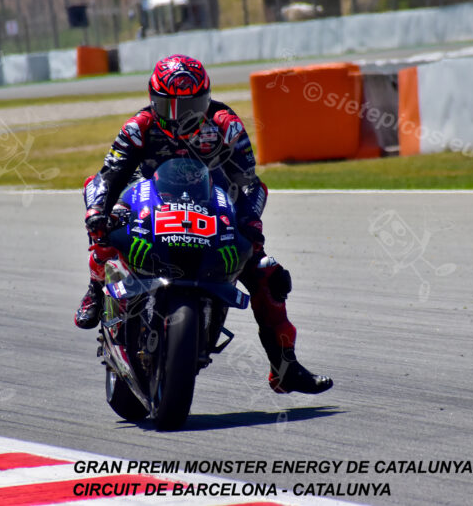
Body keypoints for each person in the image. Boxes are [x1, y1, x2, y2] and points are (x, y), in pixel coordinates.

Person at [74, 54, 333, 395]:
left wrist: (251, 224)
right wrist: (98, 214)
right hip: (148, 198)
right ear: (154, 100)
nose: (181, 115)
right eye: (170, 105)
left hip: (210, 203)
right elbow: (108, 175)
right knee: (104, 227)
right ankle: (95, 289)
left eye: (192, 104)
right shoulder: (139, 126)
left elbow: (249, 180)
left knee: (268, 273)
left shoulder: (226, 123)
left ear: (207, 97)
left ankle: (285, 367)